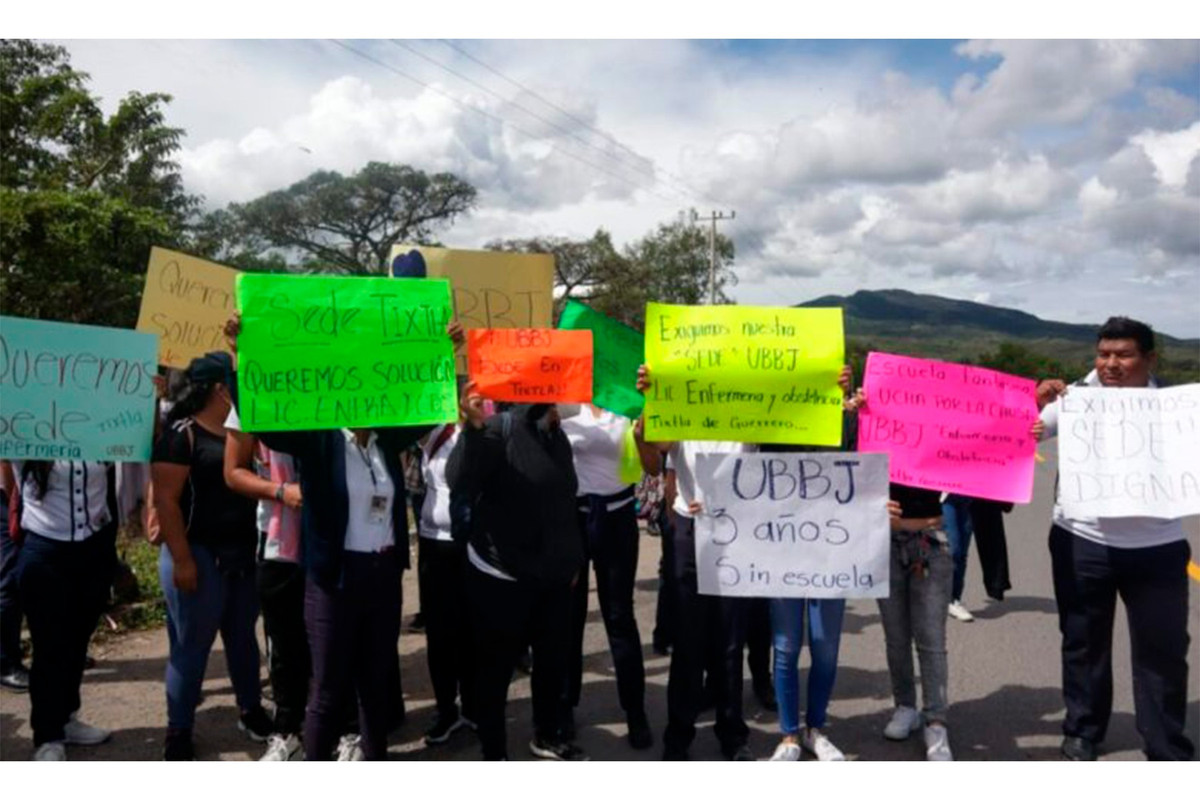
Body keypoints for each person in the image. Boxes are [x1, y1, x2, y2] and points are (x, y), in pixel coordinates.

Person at [1036, 316, 1194, 761]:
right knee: (1083, 642)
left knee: (1163, 651)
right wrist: (1034, 401)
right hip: (1081, 542)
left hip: (1157, 550)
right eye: (1103, 354)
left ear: (1149, 359)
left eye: (1123, 355)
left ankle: (1166, 744)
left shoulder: (1177, 407)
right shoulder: (1074, 398)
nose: (1111, 363)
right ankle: (1082, 731)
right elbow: (1024, 430)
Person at [447, 386, 586, 761]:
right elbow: (458, 477)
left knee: (552, 664)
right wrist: (472, 431)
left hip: (553, 580)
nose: (566, 409)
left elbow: (563, 500)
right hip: (501, 578)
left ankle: (547, 734)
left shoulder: (557, 438)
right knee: (495, 673)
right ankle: (494, 752)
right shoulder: (497, 430)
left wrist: (571, 560)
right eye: (558, 402)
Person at [153, 352, 272, 760]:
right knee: (192, 646)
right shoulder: (181, 436)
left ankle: (251, 710)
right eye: (237, 380)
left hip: (241, 555)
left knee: (243, 638)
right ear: (222, 388)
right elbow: (166, 502)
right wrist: (183, 560)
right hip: (196, 556)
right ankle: (179, 729)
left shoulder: (246, 433)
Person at [635, 365, 753, 762]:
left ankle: (732, 735)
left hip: (738, 530)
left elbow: (802, 429)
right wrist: (652, 401)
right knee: (688, 641)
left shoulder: (756, 404)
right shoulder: (680, 400)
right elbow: (656, 459)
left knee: (731, 641)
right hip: (691, 527)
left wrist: (829, 388)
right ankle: (678, 738)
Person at [559, 403, 656, 749]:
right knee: (570, 617)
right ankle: (564, 705)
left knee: (619, 616)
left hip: (616, 519)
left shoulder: (627, 402)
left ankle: (635, 710)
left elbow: (654, 466)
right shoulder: (564, 403)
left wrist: (643, 435)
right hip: (574, 519)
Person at [9, 458, 119, 760]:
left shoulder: (98, 432)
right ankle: (47, 735)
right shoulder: (29, 436)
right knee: (49, 648)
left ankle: (67, 718)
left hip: (94, 549)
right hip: (45, 550)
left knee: (77, 642)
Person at [224, 405, 307, 761]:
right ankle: (288, 732)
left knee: (335, 641)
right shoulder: (253, 394)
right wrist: (279, 491)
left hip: (338, 540)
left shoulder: (341, 379)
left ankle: (346, 731)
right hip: (279, 547)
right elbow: (233, 472)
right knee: (284, 646)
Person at [415, 417, 475, 746]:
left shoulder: (485, 430)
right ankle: (445, 708)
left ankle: (474, 704)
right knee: (440, 633)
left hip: (473, 543)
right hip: (434, 543)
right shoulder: (434, 431)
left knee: (472, 629)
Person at [0, 461, 30, 692]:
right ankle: (6, 664)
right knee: (10, 579)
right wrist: (14, 502)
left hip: (22, 490)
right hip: (7, 495)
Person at [941, 493, 977, 622]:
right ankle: (947, 598)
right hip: (945, 494)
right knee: (954, 549)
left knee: (962, 550)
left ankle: (955, 599)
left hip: (969, 494)